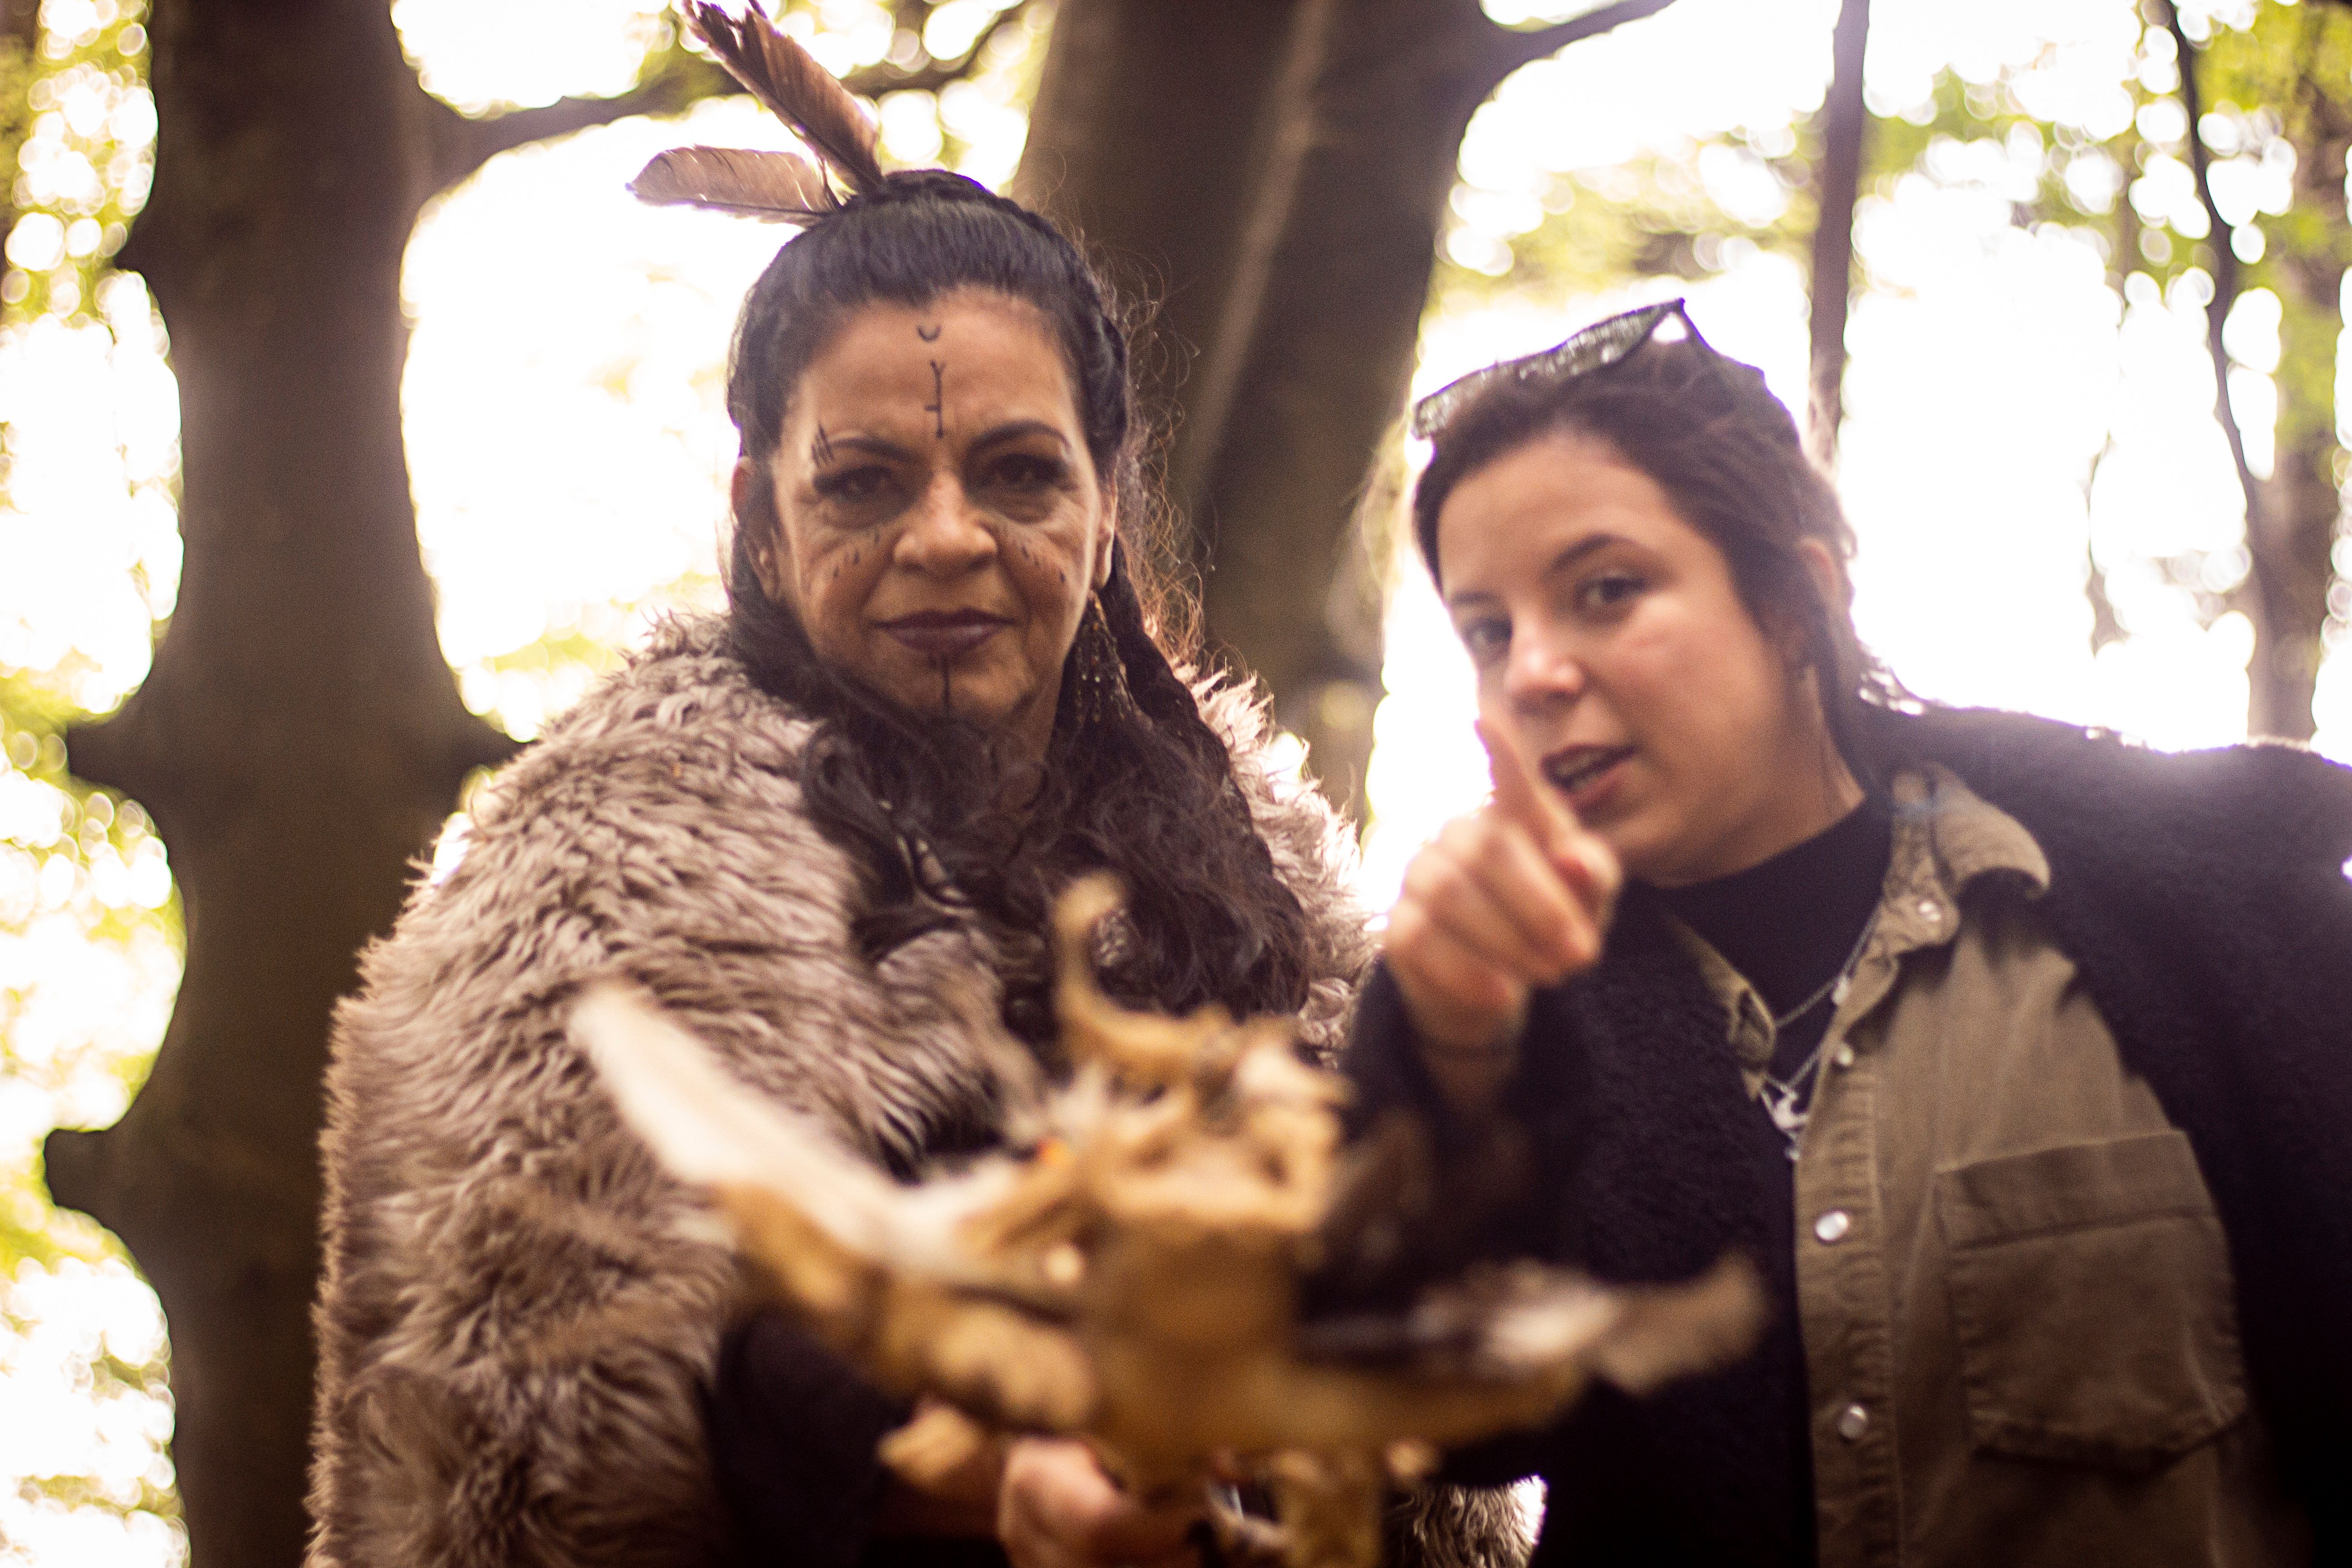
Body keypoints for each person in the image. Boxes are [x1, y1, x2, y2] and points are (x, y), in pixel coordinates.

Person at [299, 149, 1409, 1568]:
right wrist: (983, 1456)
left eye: (1019, 474)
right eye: (865, 484)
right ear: (764, 521)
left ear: (1105, 512)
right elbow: (556, 1408)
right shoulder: (588, 900)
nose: (945, 538)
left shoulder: (1264, 899)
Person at [1344, 299, 2352, 1568]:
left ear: (1795, 599)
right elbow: (1422, 1413)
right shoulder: (1508, 1021)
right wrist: (1444, 1070)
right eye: (1489, 631)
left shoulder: (2180, 925)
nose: (1533, 672)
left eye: (1607, 590)